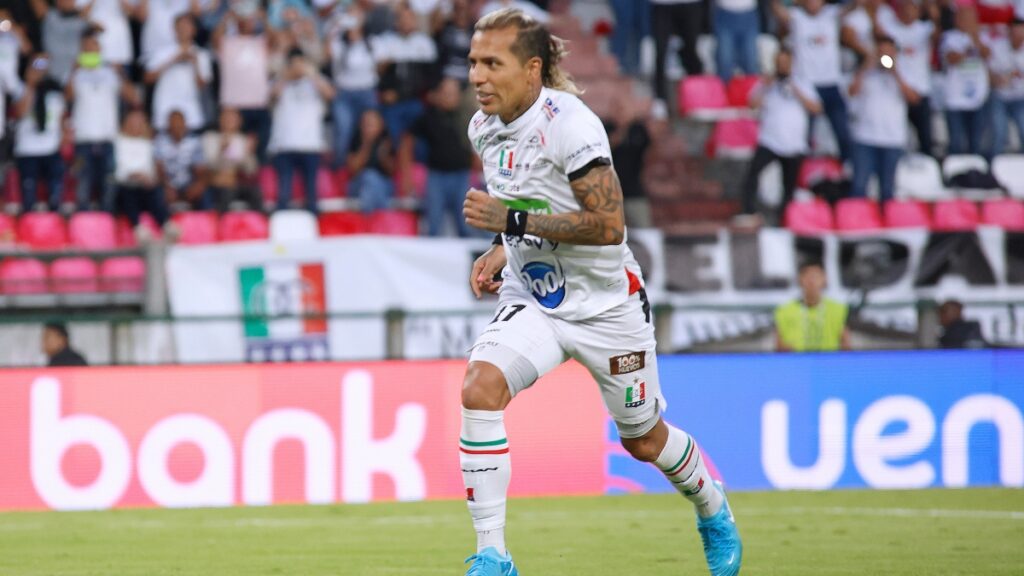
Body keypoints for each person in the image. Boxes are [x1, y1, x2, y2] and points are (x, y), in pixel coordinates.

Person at [459, 9, 741, 575]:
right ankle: (493, 556)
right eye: (473, 62)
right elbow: (528, 195)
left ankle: (713, 510)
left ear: (532, 69)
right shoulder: (482, 128)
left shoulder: (572, 126)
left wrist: (510, 223)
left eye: (493, 63)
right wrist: (501, 244)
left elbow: (609, 226)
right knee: (479, 388)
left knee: (643, 441)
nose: (477, 76)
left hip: (608, 308)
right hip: (537, 296)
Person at [737, 48, 822, 223]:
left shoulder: (802, 82)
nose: (782, 66)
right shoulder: (766, 83)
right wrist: (767, 85)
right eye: (779, 63)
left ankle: (784, 220)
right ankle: (748, 212)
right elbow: (751, 104)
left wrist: (795, 88)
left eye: (786, 63)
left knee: (788, 186)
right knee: (752, 175)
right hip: (769, 140)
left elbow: (816, 108)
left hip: (794, 144)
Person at [67, 28, 138, 211]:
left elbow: (134, 98)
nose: (90, 50)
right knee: (82, 184)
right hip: (83, 138)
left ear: (100, 49)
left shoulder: (110, 73)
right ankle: (82, 225)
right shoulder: (76, 74)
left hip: (108, 138)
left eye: (93, 46)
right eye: (86, 48)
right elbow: (67, 98)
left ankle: (107, 223)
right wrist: (72, 72)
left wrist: (120, 73)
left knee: (109, 186)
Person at [773, 0, 853, 161]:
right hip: (806, 85)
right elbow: (777, 9)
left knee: (843, 133)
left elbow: (856, 5)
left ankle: (847, 168)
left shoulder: (831, 14)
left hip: (830, 83)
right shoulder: (797, 16)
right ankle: (803, 175)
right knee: (804, 137)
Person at [848, 36, 919, 202]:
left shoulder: (905, 72)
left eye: (888, 52)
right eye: (881, 51)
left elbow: (914, 99)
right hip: (865, 137)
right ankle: (858, 222)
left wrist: (895, 72)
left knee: (887, 189)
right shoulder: (865, 72)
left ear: (895, 53)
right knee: (859, 186)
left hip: (892, 139)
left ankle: (887, 225)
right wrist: (867, 65)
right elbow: (852, 92)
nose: (884, 55)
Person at [401, 78, 475, 236]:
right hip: (436, 176)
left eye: (452, 94)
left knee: (465, 225)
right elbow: (407, 140)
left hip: (462, 176)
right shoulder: (428, 116)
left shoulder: (466, 116)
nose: (449, 97)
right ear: (438, 94)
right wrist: (406, 174)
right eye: (446, 93)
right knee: (433, 224)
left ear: (459, 96)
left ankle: (472, 261)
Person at [268, 48, 335, 215]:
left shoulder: (315, 81)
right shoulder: (280, 81)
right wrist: (288, 75)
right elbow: (271, 95)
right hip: (285, 145)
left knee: (312, 194)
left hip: (310, 145)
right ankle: (281, 228)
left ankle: (314, 229)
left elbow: (330, 94)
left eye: (301, 63)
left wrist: (310, 73)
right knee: (283, 194)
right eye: (294, 64)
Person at [878, 0, 938, 156]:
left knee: (926, 139)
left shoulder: (924, 29)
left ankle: (930, 170)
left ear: (917, 11)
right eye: (904, 8)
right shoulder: (890, 30)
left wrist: (933, 13)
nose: (908, 12)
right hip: (897, 93)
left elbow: (938, 36)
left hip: (921, 91)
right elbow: (883, 56)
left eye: (911, 8)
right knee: (897, 136)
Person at [325, 5, 379, 168]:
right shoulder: (339, 43)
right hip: (345, 93)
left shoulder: (371, 42)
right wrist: (337, 25)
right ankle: (340, 168)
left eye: (356, 17)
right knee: (343, 131)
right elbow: (327, 52)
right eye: (350, 16)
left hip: (367, 92)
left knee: (370, 133)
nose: (353, 21)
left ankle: (371, 164)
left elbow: (381, 64)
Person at [14, 54, 66, 213]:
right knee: (28, 194)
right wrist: (31, 85)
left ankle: (54, 224)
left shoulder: (55, 90)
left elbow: (62, 118)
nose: (40, 69)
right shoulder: (20, 88)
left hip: (51, 147)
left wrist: (63, 139)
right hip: (27, 148)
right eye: (36, 65)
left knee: (55, 192)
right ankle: (28, 224)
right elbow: (20, 113)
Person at [145, 13, 213, 133]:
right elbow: (148, 78)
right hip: (164, 113)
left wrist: (195, 64)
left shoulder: (202, 55)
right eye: (180, 27)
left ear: (194, 30)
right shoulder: (161, 52)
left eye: (187, 26)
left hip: (191, 115)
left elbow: (202, 86)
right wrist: (174, 59)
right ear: (174, 29)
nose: (183, 30)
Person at [941, 4, 990, 156]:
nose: (967, 21)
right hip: (955, 99)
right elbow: (951, 58)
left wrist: (974, 37)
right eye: (963, 18)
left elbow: (986, 54)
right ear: (956, 20)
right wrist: (967, 50)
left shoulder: (982, 36)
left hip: (978, 98)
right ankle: (957, 176)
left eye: (971, 18)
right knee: (956, 143)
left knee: (976, 143)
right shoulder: (949, 37)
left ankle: (975, 177)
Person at [775, 261, 851, 352]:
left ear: (824, 279)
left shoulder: (838, 310)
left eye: (815, 277)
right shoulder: (784, 311)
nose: (811, 282)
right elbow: (779, 347)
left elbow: (846, 345)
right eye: (807, 277)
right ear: (800, 280)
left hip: (829, 363)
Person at [114, 109, 168, 232]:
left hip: (145, 185)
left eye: (139, 122)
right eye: (133, 121)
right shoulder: (118, 142)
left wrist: (148, 178)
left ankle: (166, 225)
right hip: (126, 184)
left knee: (154, 191)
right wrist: (134, 175)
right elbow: (119, 170)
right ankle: (138, 228)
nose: (136, 125)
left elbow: (151, 170)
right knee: (129, 193)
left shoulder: (148, 144)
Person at [202, 107, 259, 211]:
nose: (230, 121)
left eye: (233, 118)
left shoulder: (243, 140)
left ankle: (258, 223)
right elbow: (210, 165)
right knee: (225, 194)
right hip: (216, 184)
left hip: (235, 184)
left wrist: (249, 153)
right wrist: (221, 151)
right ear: (220, 119)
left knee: (255, 192)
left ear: (239, 121)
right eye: (227, 118)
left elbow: (251, 170)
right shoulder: (210, 138)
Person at [651, 0, 705, 105]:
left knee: (691, 51)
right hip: (663, 5)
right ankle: (660, 100)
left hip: (690, 4)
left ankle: (696, 97)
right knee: (661, 53)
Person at [155, 110, 209, 209]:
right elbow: (159, 168)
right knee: (157, 194)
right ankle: (166, 223)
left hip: (188, 183)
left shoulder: (194, 142)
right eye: (174, 123)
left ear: (185, 124)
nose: (177, 126)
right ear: (168, 126)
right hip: (166, 184)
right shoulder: (160, 141)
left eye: (179, 123)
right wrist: (166, 186)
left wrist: (198, 184)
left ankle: (208, 223)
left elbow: (200, 169)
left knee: (204, 194)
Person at [986, 19, 1024, 155]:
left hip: (1020, 98)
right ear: (1009, 33)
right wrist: (1006, 76)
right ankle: (992, 170)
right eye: (1016, 34)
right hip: (1000, 97)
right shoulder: (997, 47)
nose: (1019, 38)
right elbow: (990, 76)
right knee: (999, 133)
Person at [348, 108, 395, 214]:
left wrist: (383, 156)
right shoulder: (356, 141)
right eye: (366, 123)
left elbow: (391, 171)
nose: (368, 126)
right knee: (369, 177)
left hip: (383, 184)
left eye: (372, 123)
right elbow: (353, 170)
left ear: (381, 124)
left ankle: (369, 217)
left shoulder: (386, 141)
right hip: (359, 185)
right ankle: (382, 215)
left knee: (374, 181)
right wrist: (366, 146)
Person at [713, 0, 760, 82]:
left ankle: (752, 92)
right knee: (725, 61)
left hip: (748, 13)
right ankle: (724, 92)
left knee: (750, 61)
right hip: (725, 13)